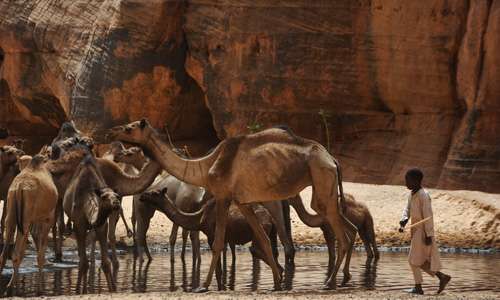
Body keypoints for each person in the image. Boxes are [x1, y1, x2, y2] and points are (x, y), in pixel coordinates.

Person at [399, 168, 451, 295]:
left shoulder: (424, 195)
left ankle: (418, 288)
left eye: (408, 180)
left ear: (416, 181)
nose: (406, 182)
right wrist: (404, 219)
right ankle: (441, 277)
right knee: (419, 260)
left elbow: (428, 216)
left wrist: (428, 235)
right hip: (415, 231)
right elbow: (407, 209)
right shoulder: (411, 194)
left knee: (413, 260)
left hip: (423, 232)